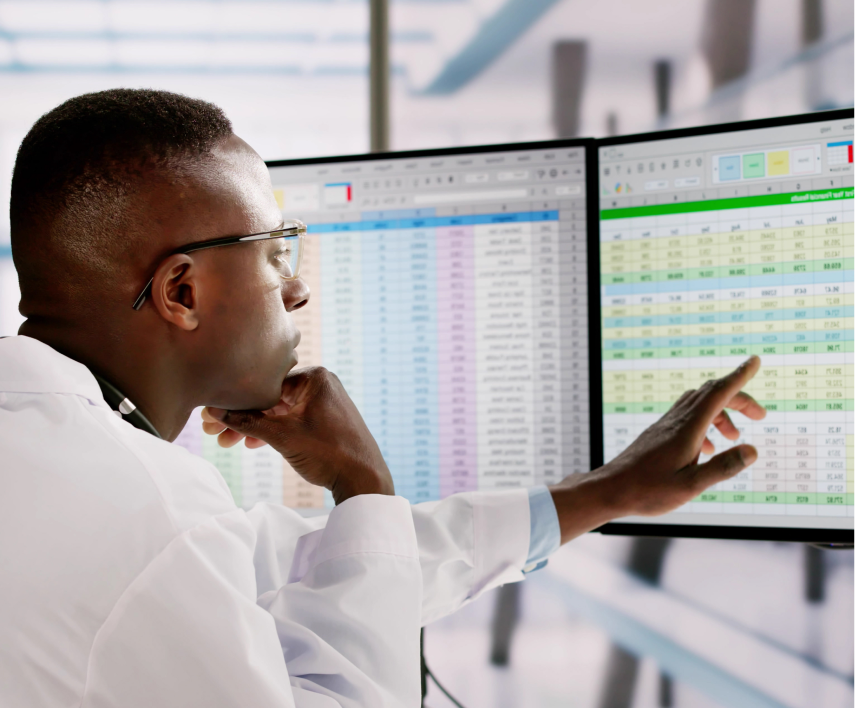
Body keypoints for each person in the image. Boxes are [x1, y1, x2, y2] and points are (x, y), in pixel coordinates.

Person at [0, 89, 766, 708]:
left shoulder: (55, 453)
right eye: (273, 254)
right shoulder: (149, 518)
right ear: (181, 291)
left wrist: (606, 492)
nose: (296, 289)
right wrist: (362, 483)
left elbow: (299, 569)